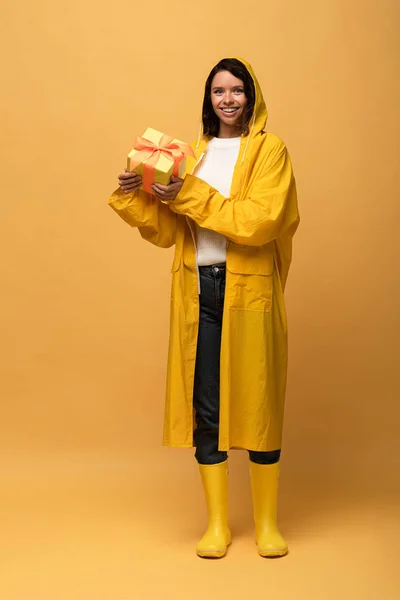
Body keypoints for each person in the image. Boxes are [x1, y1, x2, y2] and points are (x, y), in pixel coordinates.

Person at [108, 57, 300, 559]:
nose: (228, 100)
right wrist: (143, 197)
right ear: (208, 98)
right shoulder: (191, 154)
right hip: (200, 289)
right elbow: (173, 233)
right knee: (207, 407)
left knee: (259, 402)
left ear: (251, 95)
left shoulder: (270, 151)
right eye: (219, 91)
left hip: (250, 289)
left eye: (237, 90)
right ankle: (217, 525)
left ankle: (266, 525)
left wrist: (187, 194)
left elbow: (260, 221)